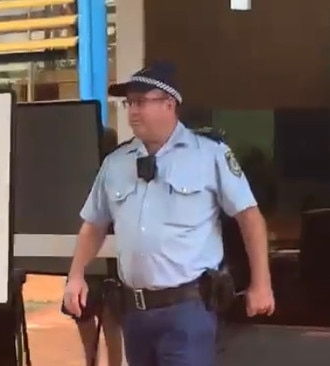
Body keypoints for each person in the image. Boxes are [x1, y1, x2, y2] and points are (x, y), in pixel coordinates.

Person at [62, 61, 275, 366]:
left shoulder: (208, 154)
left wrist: (261, 284)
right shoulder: (116, 163)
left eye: (142, 102)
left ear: (169, 104)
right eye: (129, 103)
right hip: (135, 313)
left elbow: (250, 218)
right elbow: (94, 225)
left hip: (188, 312)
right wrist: (76, 276)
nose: (133, 111)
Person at [68, 127, 123, 366]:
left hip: (105, 262)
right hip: (92, 262)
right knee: (103, 319)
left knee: (100, 318)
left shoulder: (113, 175)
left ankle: (94, 362)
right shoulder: (89, 177)